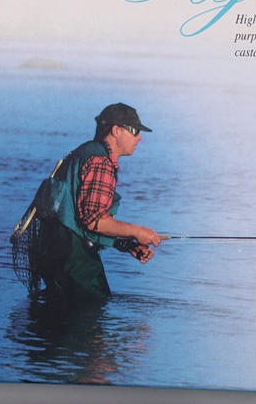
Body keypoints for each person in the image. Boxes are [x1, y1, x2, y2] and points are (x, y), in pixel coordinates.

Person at [31, 102, 162, 300]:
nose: (139, 137)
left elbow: (81, 219)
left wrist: (127, 244)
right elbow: (94, 220)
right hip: (72, 258)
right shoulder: (100, 162)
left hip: (54, 252)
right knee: (90, 309)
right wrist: (138, 231)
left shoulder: (85, 152)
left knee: (58, 310)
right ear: (116, 130)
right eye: (135, 131)